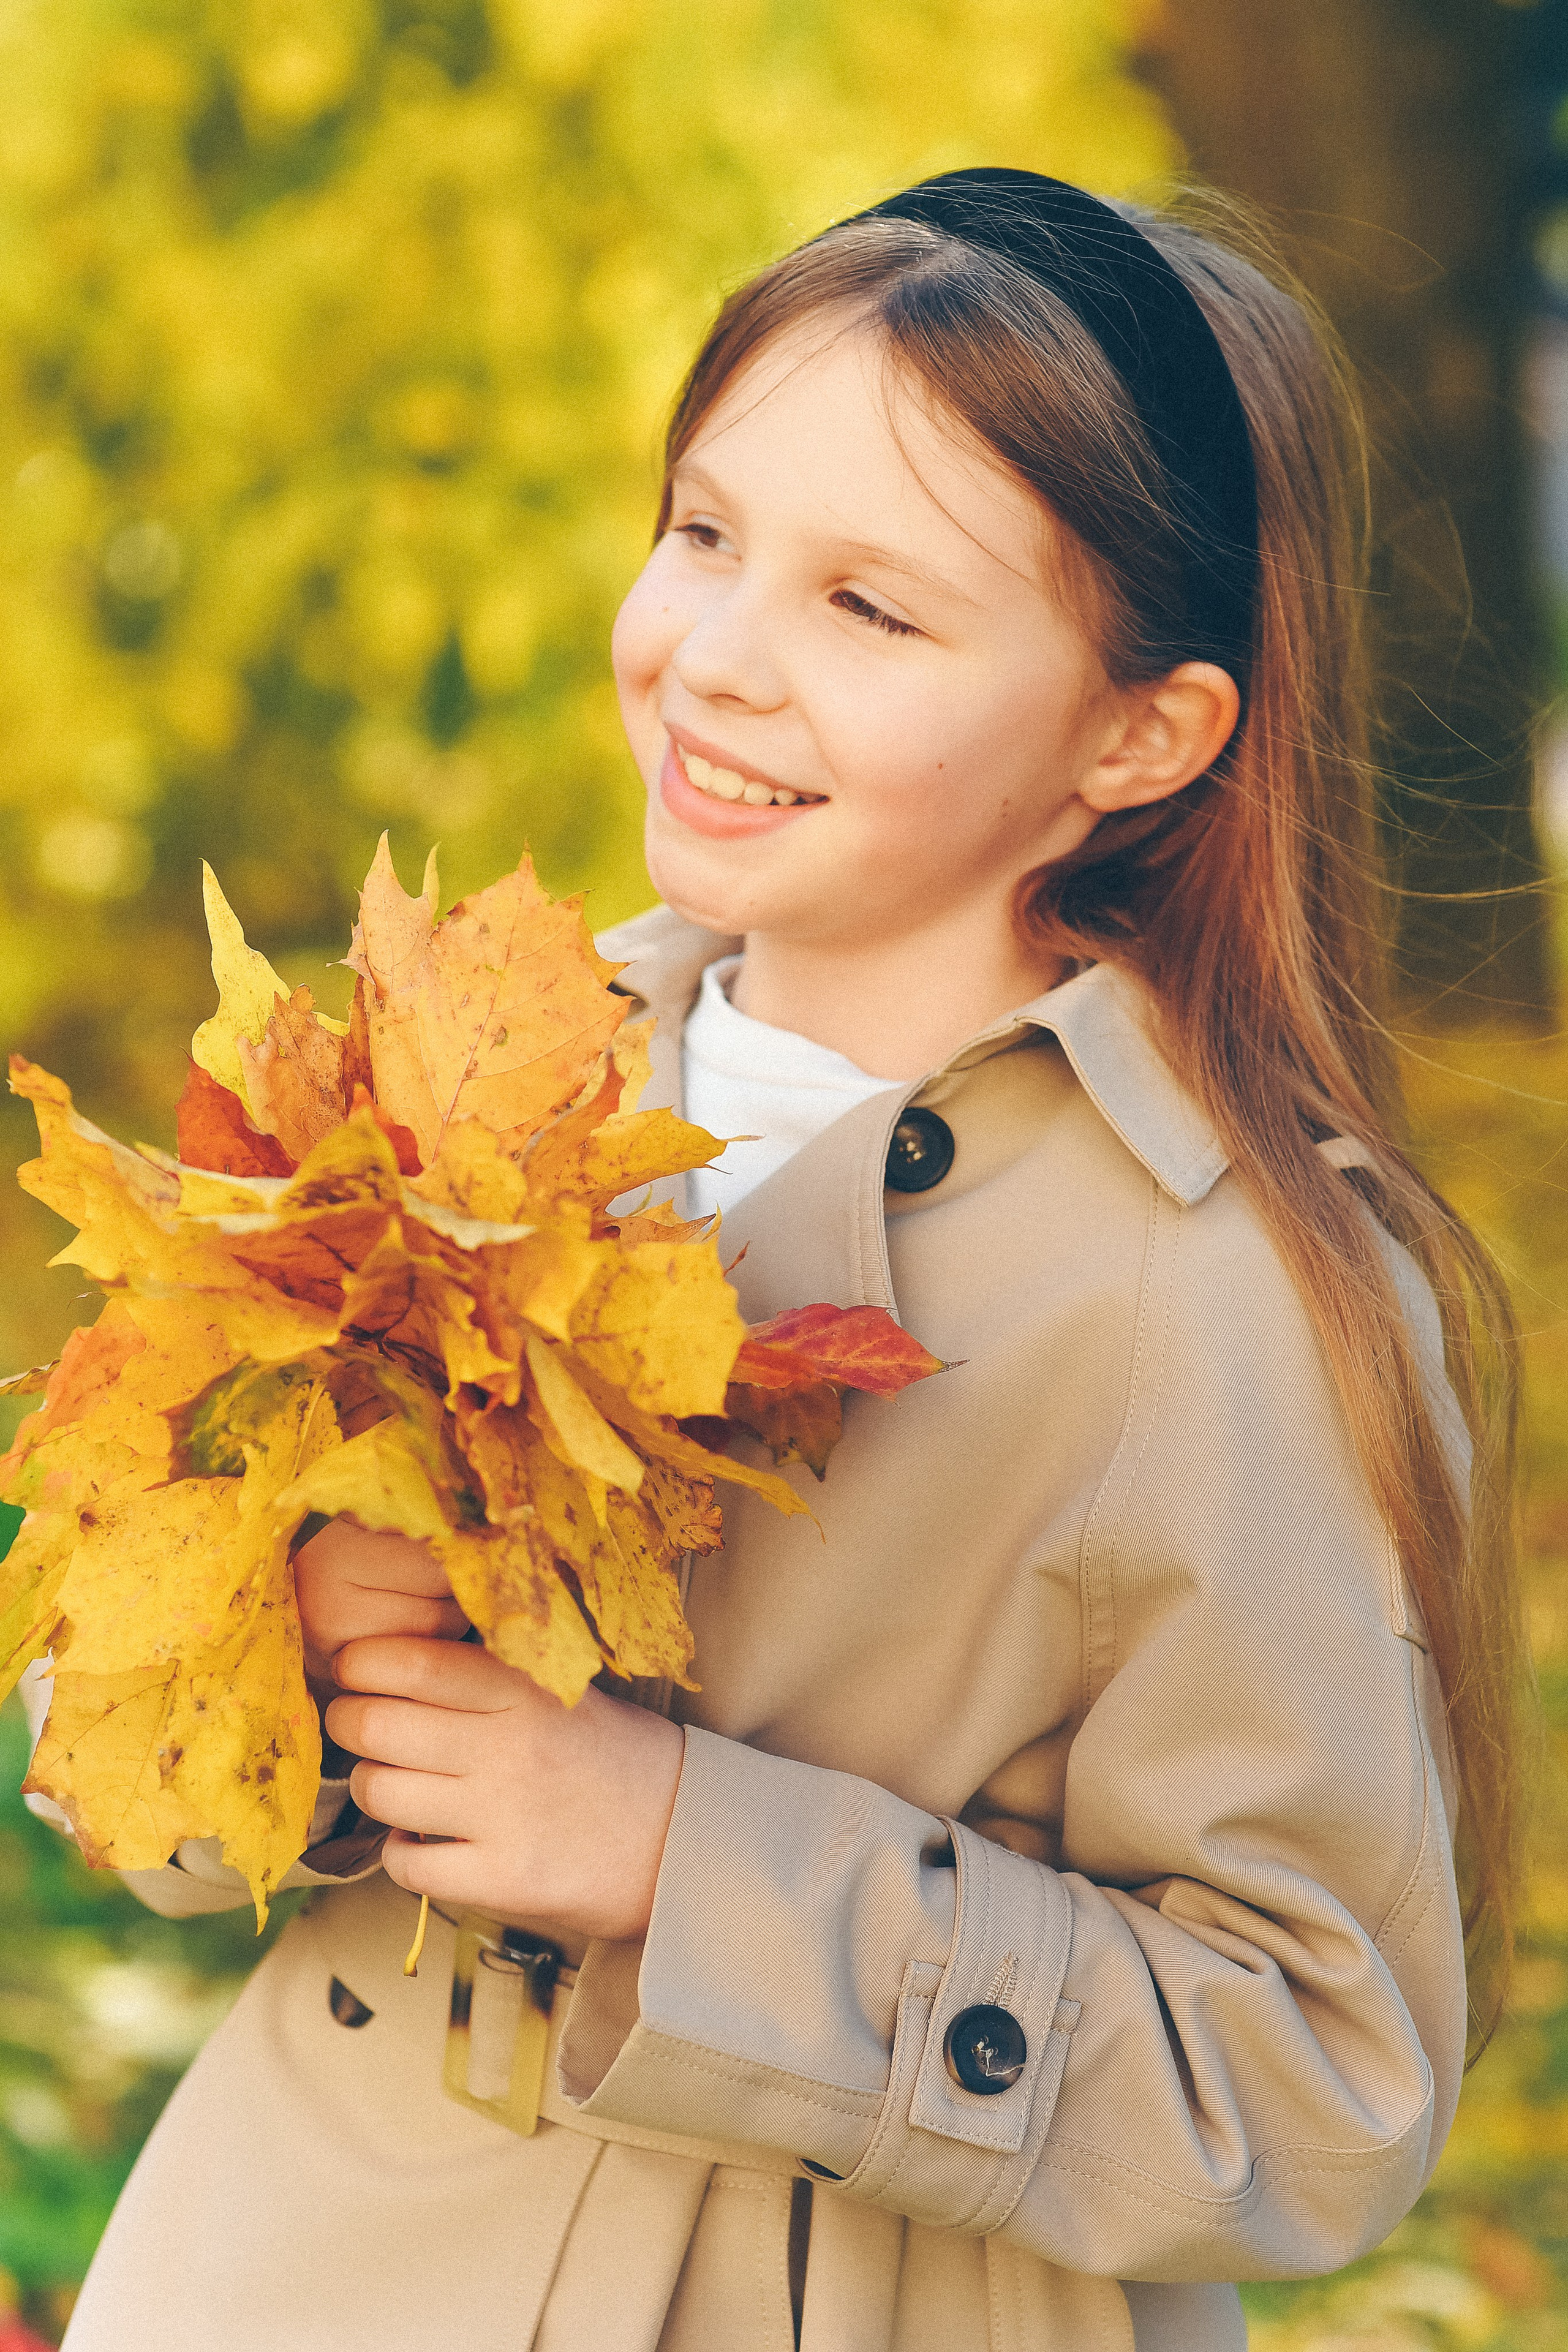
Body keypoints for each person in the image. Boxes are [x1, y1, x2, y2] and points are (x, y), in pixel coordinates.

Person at [42, 168, 1523, 2351]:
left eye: (872, 609)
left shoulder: (1219, 1293)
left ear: (1139, 736)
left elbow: (1314, 2091)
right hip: (283, 2268)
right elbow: (109, 1760)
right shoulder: (463, 1090)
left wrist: (682, 1861)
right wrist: (302, 1670)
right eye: (706, 531)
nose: (717, 655)